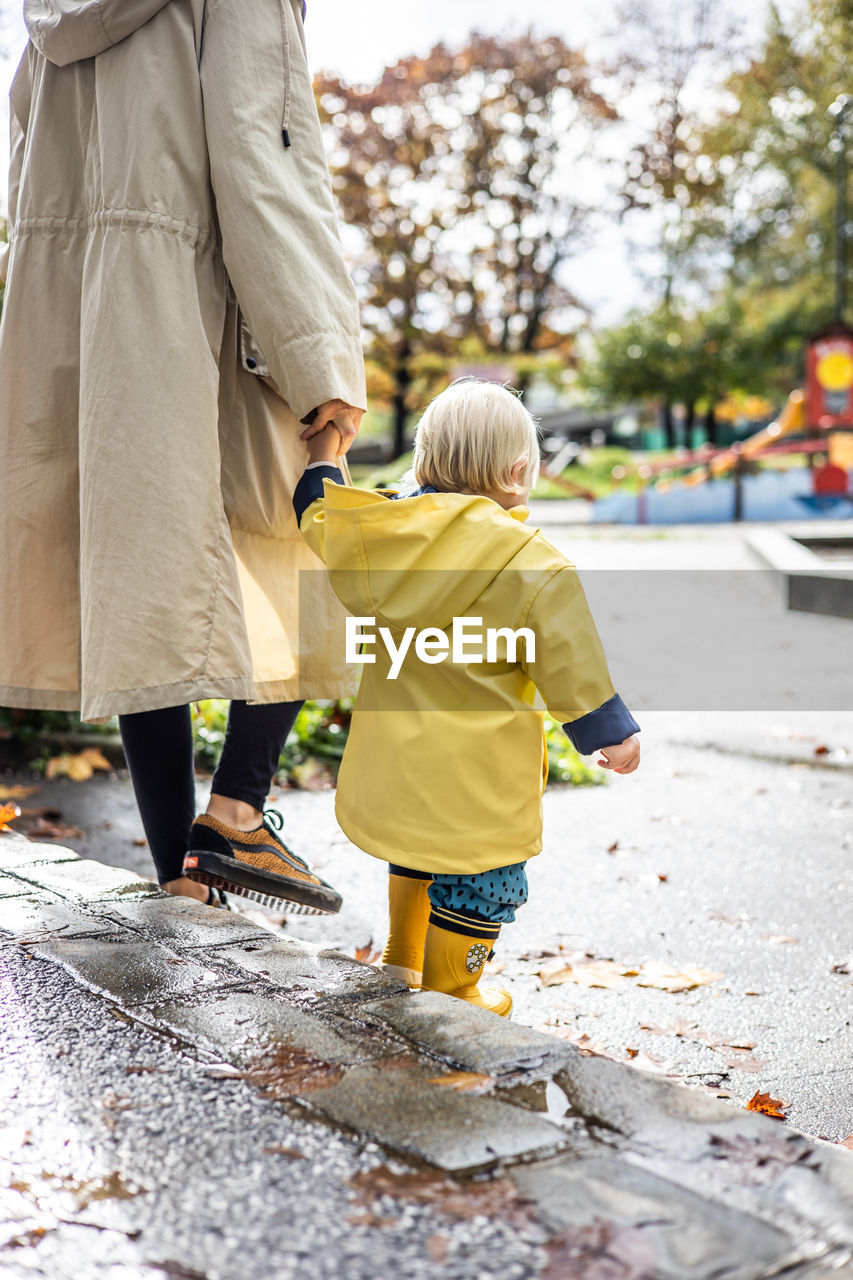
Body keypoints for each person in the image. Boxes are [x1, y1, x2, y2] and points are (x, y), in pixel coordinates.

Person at [0, 0, 366, 913]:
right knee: (303, 538)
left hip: (84, 317)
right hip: (205, 303)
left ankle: (179, 876)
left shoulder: (49, 12)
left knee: (136, 581)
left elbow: (21, 148)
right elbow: (264, 158)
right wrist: (319, 354)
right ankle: (236, 812)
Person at [286, 379, 640, 1017]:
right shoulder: (533, 563)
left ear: (424, 462)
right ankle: (456, 990)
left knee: (415, 850)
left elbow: (320, 515)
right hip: (479, 781)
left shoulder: (382, 536)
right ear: (516, 472)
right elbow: (570, 661)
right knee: (484, 876)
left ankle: (401, 960)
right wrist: (607, 730)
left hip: (397, 771)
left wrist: (323, 457)